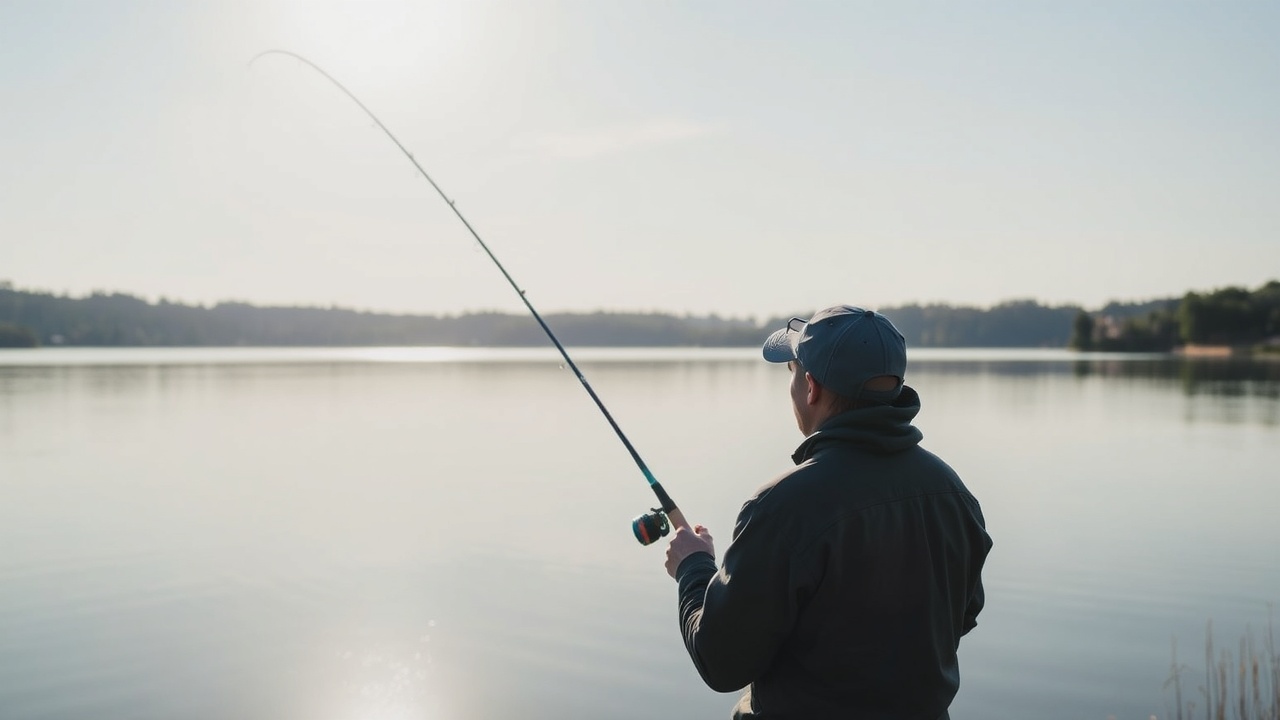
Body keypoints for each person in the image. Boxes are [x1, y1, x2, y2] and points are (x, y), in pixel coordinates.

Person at [664, 305, 991, 720]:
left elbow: (721, 661)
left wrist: (693, 567)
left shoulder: (783, 506)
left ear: (811, 387)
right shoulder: (953, 493)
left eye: (792, 372)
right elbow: (963, 614)